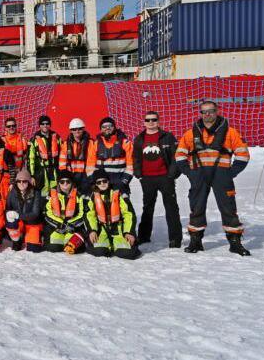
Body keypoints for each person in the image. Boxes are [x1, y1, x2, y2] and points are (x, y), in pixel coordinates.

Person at [175, 101, 251, 255]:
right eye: (204, 112)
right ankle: (196, 241)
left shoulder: (230, 132)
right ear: (200, 114)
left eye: (210, 111)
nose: (207, 114)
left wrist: (231, 172)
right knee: (196, 207)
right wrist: (189, 172)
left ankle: (235, 242)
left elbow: (243, 155)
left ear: (217, 111)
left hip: (222, 174)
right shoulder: (190, 134)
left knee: (229, 208)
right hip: (198, 174)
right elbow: (179, 155)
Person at [133, 111, 182, 247]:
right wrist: (139, 174)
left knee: (171, 208)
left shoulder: (167, 137)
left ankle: (175, 239)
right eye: (148, 120)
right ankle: (143, 236)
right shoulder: (139, 139)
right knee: (147, 207)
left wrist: (172, 174)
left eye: (153, 120)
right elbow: (136, 158)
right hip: (147, 179)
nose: (151, 122)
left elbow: (176, 157)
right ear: (144, 122)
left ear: (158, 121)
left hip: (165, 177)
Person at [85, 169, 140, 259]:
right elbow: (90, 215)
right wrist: (92, 230)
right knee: (99, 251)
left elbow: (128, 214)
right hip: (102, 229)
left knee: (127, 253)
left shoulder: (119, 193)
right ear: (95, 184)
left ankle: (116, 244)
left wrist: (129, 232)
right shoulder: (92, 196)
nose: (102, 184)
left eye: (104, 181)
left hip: (118, 229)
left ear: (108, 181)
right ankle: (108, 244)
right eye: (99, 182)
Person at [43, 170, 87, 254]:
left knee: (73, 248)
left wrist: (70, 224)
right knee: (53, 248)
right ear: (58, 183)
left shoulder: (79, 195)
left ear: (72, 183)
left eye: (68, 181)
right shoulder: (52, 195)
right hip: (57, 227)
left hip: (72, 228)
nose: (65, 184)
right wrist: (60, 224)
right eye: (62, 182)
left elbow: (82, 214)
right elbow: (47, 213)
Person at [87, 117, 134, 194]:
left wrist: (124, 181)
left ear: (114, 127)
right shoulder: (95, 144)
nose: (107, 128)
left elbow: (130, 166)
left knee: (124, 206)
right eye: (104, 127)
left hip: (120, 185)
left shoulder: (125, 143)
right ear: (100, 129)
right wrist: (94, 181)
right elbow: (90, 166)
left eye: (110, 126)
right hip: (102, 185)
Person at [5, 168, 44, 252]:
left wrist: (19, 215)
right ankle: (17, 241)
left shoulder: (36, 192)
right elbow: (7, 208)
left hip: (32, 223)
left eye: (24, 181)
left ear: (29, 182)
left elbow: (35, 214)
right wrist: (10, 214)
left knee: (33, 248)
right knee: (11, 221)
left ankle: (30, 237)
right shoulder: (12, 192)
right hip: (19, 223)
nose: (21, 183)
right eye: (19, 181)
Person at [27, 115, 61, 194]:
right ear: (39, 125)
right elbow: (31, 159)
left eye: (47, 123)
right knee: (43, 193)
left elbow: (62, 155)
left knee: (55, 193)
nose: (45, 125)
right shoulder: (34, 140)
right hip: (41, 172)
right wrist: (32, 176)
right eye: (42, 124)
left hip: (55, 170)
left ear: (50, 125)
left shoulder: (57, 137)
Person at [58, 118, 94, 191]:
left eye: (79, 129)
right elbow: (62, 161)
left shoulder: (90, 143)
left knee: (85, 196)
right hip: (71, 174)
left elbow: (92, 160)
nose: (77, 131)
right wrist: (65, 175)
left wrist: (90, 176)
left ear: (83, 129)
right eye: (74, 129)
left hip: (86, 175)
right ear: (71, 130)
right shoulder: (65, 144)